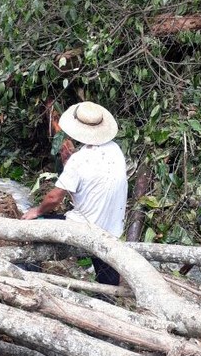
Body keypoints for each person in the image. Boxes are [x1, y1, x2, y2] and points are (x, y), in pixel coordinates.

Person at [23, 101, 128, 285]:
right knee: (107, 275)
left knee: (33, 225)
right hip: (111, 230)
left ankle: (32, 280)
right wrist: (68, 163)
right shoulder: (115, 150)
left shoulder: (79, 160)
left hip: (83, 230)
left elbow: (54, 198)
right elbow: (93, 183)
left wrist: (37, 211)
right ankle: (109, 294)